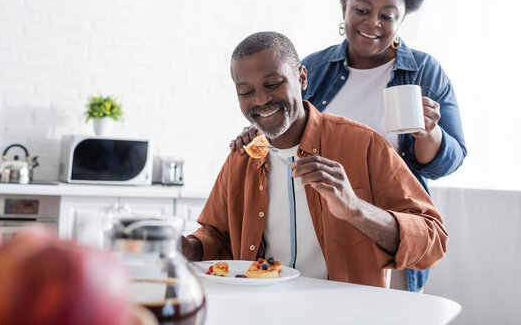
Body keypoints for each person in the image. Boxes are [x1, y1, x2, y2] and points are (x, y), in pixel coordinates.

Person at [230, 0, 466, 292]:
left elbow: (450, 160)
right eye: (363, 10)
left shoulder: (425, 71)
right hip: (322, 225)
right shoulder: (316, 65)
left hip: (385, 228)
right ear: (345, 7)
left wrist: (430, 134)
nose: (373, 23)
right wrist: (257, 131)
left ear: (401, 20)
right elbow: (284, 122)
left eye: (388, 15)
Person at [182, 31, 448, 288]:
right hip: (261, 311)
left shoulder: (362, 143)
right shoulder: (242, 156)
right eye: (246, 92)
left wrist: (356, 209)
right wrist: (185, 248)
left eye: (273, 84)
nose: (261, 100)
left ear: (302, 77)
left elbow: (433, 243)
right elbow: (217, 238)